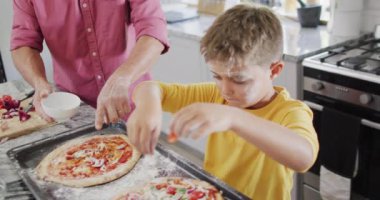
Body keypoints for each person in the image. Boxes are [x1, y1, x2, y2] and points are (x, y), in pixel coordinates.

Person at [127, 3, 319, 200]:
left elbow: (304, 157)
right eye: (217, 76)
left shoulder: (290, 111)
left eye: (239, 80)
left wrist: (233, 117)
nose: (225, 90)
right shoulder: (214, 96)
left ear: (274, 70)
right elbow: (151, 88)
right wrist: (148, 106)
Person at [10, 0, 169, 128]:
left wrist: (123, 77)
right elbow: (23, 42)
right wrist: (39, 82)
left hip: (132, 101)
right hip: (74, 110)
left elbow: (153, 29)